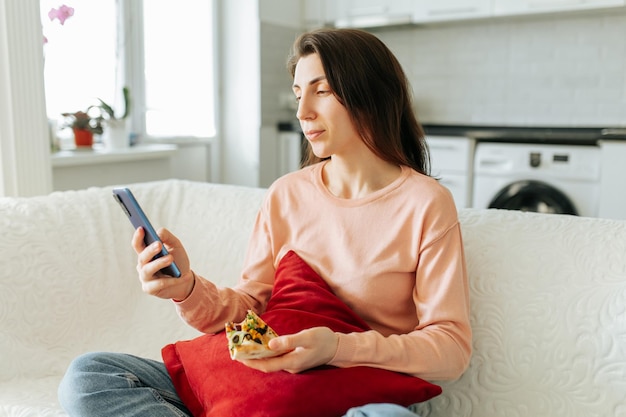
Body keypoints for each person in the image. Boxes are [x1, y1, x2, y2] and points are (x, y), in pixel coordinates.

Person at [58, 28, 472, 417]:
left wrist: (335, 348)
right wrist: (185, 288)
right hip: (265, 382)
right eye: (298, 95)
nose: (303, 112)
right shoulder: (287, 194)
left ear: (371, 96)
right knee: (91, 376)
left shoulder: (425, 203)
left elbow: (450, 350)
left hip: (358, 390)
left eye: (322, 91)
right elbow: (249, 313)